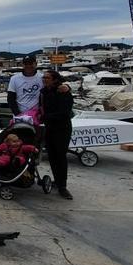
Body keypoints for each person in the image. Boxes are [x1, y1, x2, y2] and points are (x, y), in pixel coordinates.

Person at [40, 70, 74, 200]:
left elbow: (65, 112)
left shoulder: (63, 91)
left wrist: (45, 117)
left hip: (62, 129)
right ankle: (57, 181)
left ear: (55, 79)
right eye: (43, 77)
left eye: (47, 78)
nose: (44, 79)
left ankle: (63, 187)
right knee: (52, 157)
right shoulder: (44, 92)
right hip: (49, 128)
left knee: (61, 157)